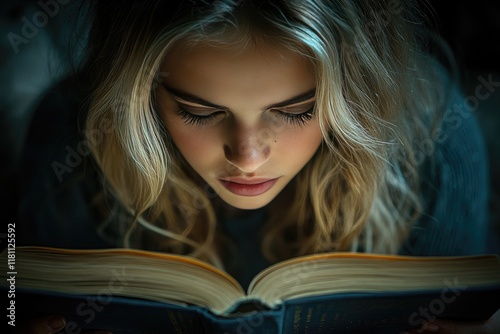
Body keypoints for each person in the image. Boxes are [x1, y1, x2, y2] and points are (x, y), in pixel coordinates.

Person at [15, 0, 499, 333]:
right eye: (199, 112)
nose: (247, 158)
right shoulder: (75, 135)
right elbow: (19, 285)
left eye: (295, 111)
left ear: (353, 94)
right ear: (141, 94)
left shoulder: (432, 137)